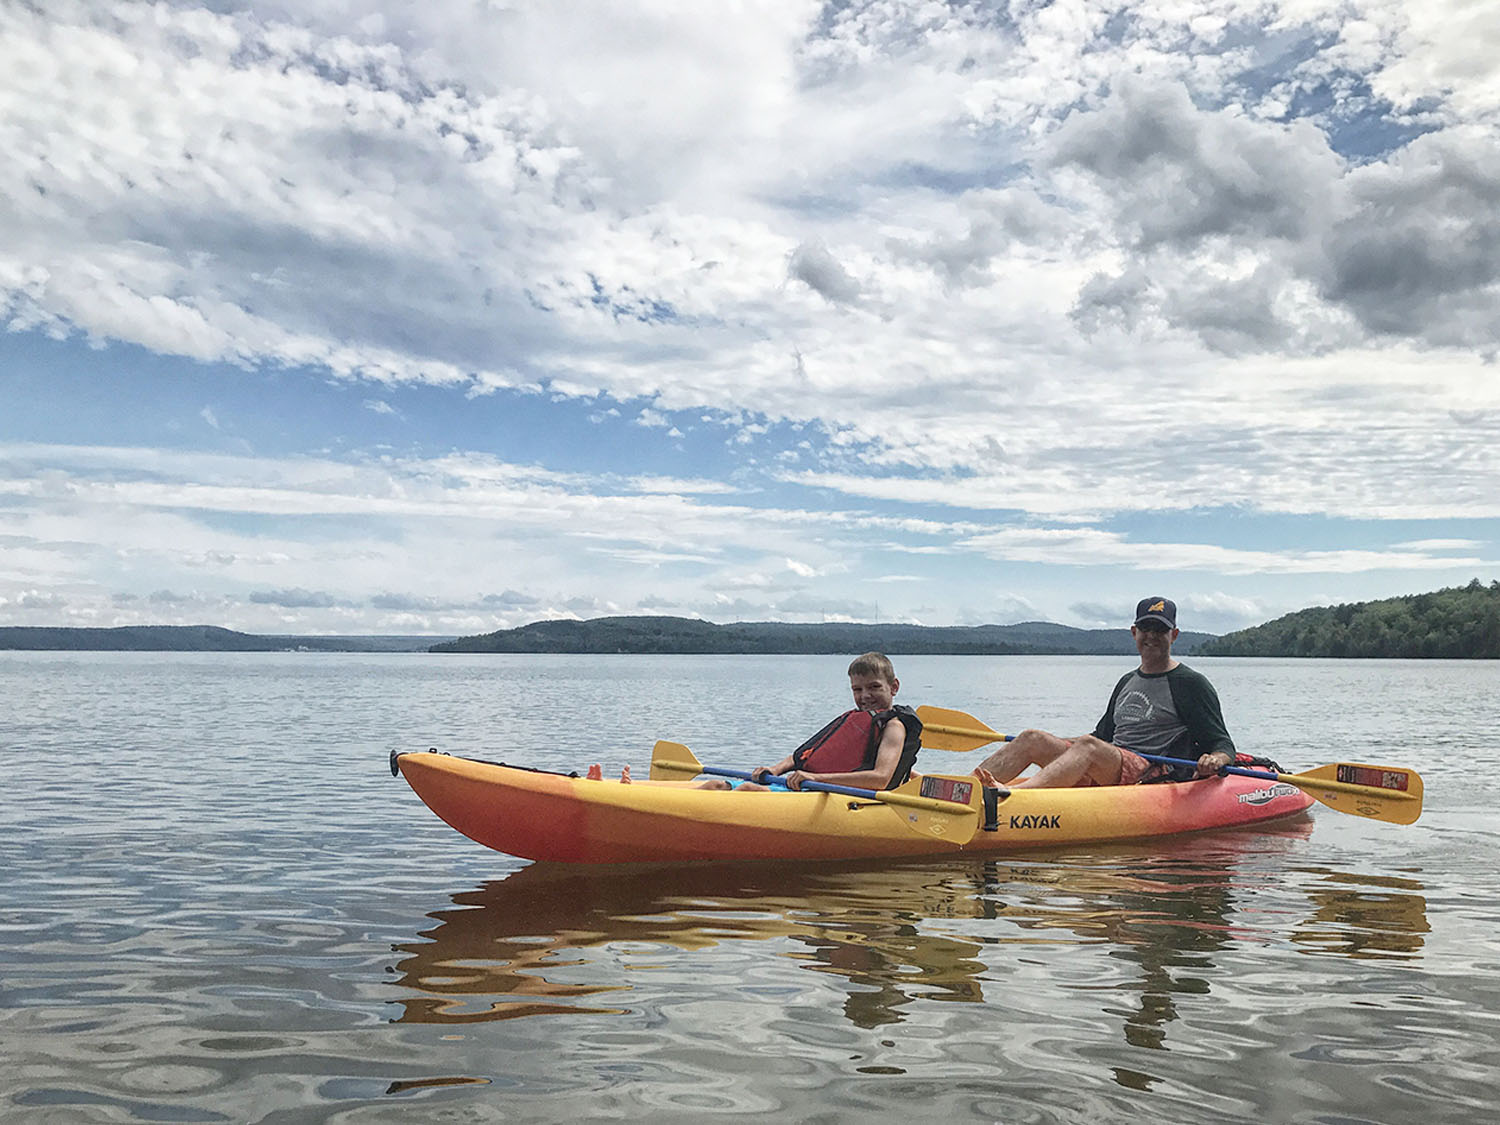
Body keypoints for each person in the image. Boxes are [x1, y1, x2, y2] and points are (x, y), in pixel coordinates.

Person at [973, 597, 1246, 790]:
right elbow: (1101, 736)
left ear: (1174, 635)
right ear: (1133, 632)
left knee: (1087, 748)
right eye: (1145, 628)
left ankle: (1014, 796)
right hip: (1112, 764)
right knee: (1032, 737)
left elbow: (1222, 744)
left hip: (1150, 773)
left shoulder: (1190, 683)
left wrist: (1215, 760)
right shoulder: (1127, 681)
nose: (1151, 636)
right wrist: (1060, 741)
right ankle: (963, 791)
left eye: (1160, 630)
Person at [700, 651, 923, 792]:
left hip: (845, 797)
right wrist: (775, 769)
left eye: (874, 687)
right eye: (857, 689)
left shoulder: (894, 726)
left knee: (748, 790)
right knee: (714, 785)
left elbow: (880, 779)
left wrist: (815, 777)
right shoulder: (854, 719)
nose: (865, 695)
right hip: (814, 788)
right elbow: (805, 755)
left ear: (893, 687)